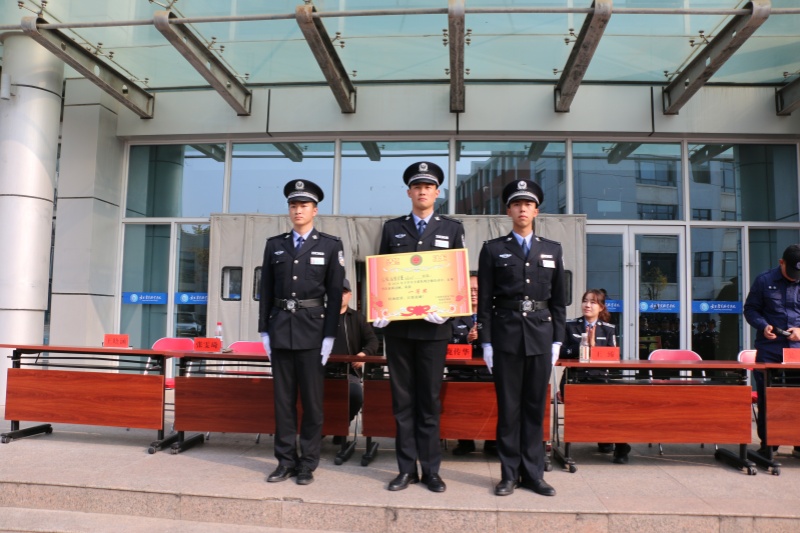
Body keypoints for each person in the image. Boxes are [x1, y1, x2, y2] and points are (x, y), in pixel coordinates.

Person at [373, 161, 466, 493]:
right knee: (402, 403)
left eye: (428, 187)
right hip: (398, 330)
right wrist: (379, 309)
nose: (422, 191)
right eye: (417, 187)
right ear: (409, 192)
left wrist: (450, 312)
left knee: (428, 402)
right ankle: (405, 470)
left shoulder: (451, 229)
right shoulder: (392, 229)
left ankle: (431, 470)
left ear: (437, 193)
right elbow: (381, 273)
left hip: (433, 331)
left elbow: (457, 276)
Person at [477, 179, 566, 497]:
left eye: (528, 204)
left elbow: (558, 301)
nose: (522, 209)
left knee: (534, 407)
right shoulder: (493, 249)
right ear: (509, 211)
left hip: (541, 336)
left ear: (536, 211)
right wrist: (486, 342)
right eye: (517, 204)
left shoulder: (552, 249)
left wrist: (557, 340)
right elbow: (484, 301)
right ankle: (508, 475)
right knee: (509, 408)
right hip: (506, 337)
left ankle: (533, 474)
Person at [258, 179, 345, 485]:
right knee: (282, 403)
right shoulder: (275, 245)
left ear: (314, 210)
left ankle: (307, 462)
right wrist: (264, 330)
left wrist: (330, 335)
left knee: (312, 403)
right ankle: (285, 461)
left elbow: (335, 293)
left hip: (313, 332)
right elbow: (266, 290)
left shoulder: (330, 245)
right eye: (293, 205)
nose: (298, 210)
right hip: (281, 329)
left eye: (304, 205)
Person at [559, 289, 630, 464]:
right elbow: (561, 351)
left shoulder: (608, 329)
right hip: (574, 378)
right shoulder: (570, 326)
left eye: (593, 302)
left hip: (599, 378)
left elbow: (613, 357)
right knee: (587, 404)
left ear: (601, 307)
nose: (587, 305)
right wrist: (583, 347)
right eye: (585, 301)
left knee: (614, 405)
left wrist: (595, 347)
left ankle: (620, 446)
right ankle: (601, 438)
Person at [743, 244, 800, 459]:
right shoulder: (764, 280)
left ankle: (798, 442)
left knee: (797, 397)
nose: (794, 277)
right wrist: (763, 325)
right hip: (770, 349)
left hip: (797, 350)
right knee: (767, 396)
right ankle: (769, 444)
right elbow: (750, 309)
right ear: (781, 262)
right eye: (791, 271)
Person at [449, 272, 497, 456]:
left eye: (477, 289)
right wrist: (467, 340)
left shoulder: (494, 315)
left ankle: (492, 442)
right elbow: (446, 344)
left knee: (493, 402)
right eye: (469, 290)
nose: (473, 293)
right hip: (462, 372)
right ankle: (464, 441)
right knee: (461, 402)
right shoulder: (454, 316)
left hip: (489, 372)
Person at [328, 278, 379, 433]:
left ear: (350, 295)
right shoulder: (320, 317)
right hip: (321, 371)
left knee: (356, 395)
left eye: (344, 292)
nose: (340, 295)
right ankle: (325, 428)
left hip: (348, 372)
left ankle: (342, 424)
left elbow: (373, 341)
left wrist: (363, 354)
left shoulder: (357, 318)